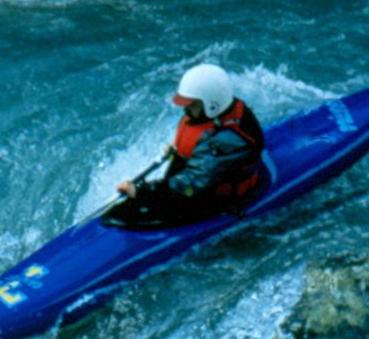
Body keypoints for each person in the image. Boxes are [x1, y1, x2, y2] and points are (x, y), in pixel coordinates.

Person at [109, 63, 265, 227]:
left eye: (192, 105)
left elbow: (191, 183)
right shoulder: (215, 113)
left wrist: (143, 192)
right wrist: (179, 146)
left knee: (143, 207)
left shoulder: (224, 140)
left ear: (212, 104)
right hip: (204, 180)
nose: (185, 109)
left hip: (218, 198)